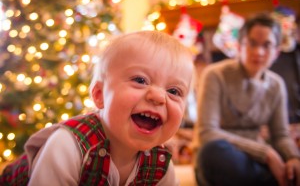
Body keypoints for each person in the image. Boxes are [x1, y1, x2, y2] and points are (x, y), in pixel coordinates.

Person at [0, 30, 194, 186]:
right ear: (100, 95)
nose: (159, 96)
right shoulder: (69, 145)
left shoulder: (159, 163)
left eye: (174, 91)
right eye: (140, 80)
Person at [193, 13, 300, 186]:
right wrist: (266, 153)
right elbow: (207, 133)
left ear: (277, 52)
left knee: (290, 166)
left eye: (267, 45)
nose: (258, 51)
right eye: (252, 43)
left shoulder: (276, 85)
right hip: (226, 157)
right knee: (212, 153)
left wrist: (294, 158)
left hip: (255, 162)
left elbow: (281, 135)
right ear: (239, 46)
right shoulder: (215, 75)